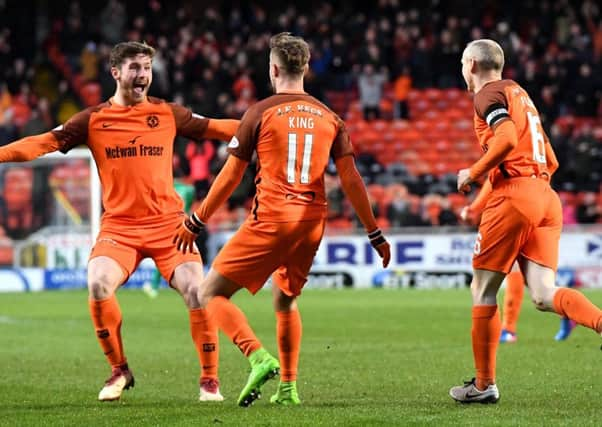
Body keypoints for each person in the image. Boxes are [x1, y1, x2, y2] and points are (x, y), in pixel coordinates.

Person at [0, 41, 239, 402]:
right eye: (134, 68)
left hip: (168, 226)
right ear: (115, 72)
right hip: (120, 228)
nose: (142, 75)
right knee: (97, 284)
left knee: (196, 289)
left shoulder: (167, 113)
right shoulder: (93, 119)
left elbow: (218, 128)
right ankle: (120, 371)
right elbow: (41, 144)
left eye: (146, 67)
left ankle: (209, 380)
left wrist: (263, 126)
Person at [173, 32, 391, 407]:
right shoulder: (330, 116)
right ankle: (288, 388)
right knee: (286, 299)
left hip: (274, 217)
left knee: (208, 293)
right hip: (311, 223)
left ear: (273, 69)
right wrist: (373, 232)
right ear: (305, 68)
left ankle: (257, 357)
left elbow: (230, 175)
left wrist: (197, 218)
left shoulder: (260, 111)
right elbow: (352, 179)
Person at [450, 39, 602, 404]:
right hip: (546, 197)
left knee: (483, 291)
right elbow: (549, 158)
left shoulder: (486, 95)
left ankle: (484, 386)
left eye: (461, 63)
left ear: (471, 63)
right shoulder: (522, 96)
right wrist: (483, 200)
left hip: (516, 198)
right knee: (544, 295)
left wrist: (473, 171)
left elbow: (504, 140)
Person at [461, 181, 576, 344]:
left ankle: (508, 329)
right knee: (535, 283)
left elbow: (493, 178)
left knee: (518, 273)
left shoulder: (507, 164)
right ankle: (569, 310)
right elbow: (552, 164)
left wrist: (474, 208)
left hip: (521, 211)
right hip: (532, 207)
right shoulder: (532, 160)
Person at [143, 176, 196, 299]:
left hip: (168, 224)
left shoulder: (165, 188)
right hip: (185, 224)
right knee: (185, 255)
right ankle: (192, 283)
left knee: (165, 256)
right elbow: (190, 204)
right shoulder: (188, 189)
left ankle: (155, 286)